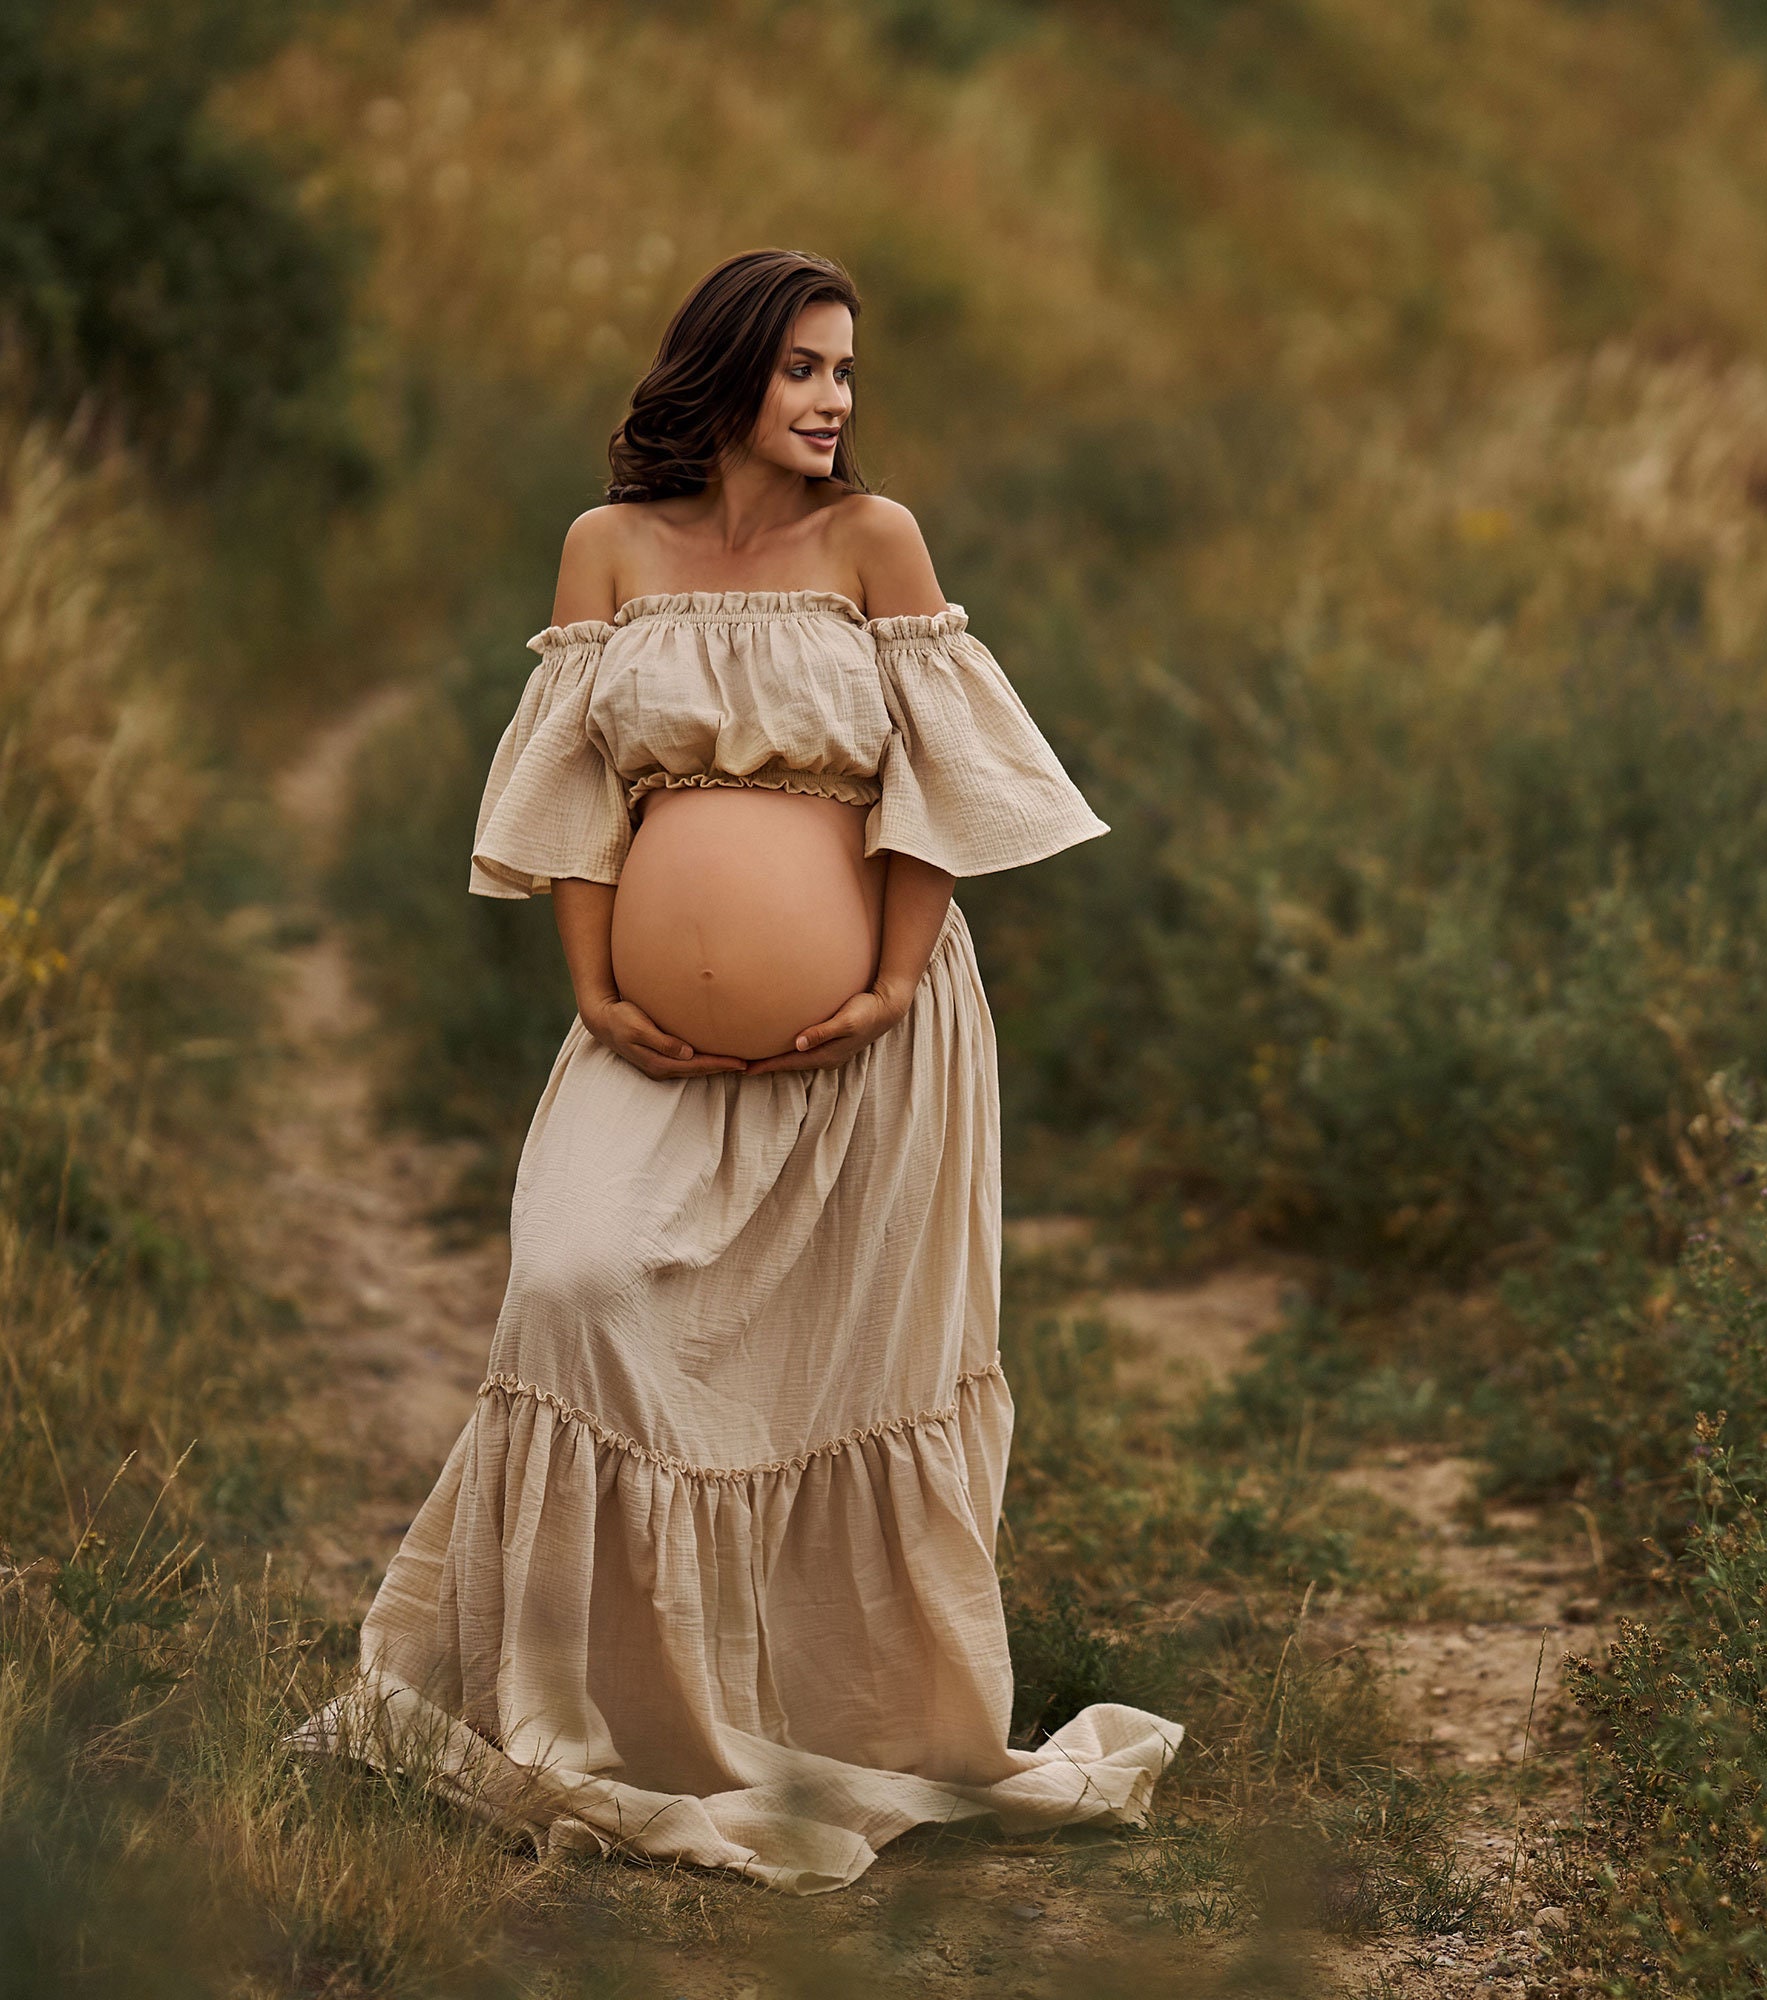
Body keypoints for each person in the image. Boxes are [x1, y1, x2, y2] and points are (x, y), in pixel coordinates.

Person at [293, 248, 1181, 1893]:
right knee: (574, 1284)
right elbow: (572, 801)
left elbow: (943, 782)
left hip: (872, 1052)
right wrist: (596, 989)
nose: (836, 401)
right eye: (805, 371)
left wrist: (894, 977)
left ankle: (808, 1703)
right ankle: (595, 1705)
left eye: (847, 372)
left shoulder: (877, 543)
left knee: (824, 1380)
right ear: (725, 377)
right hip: (641, 1042)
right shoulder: (608, 548)